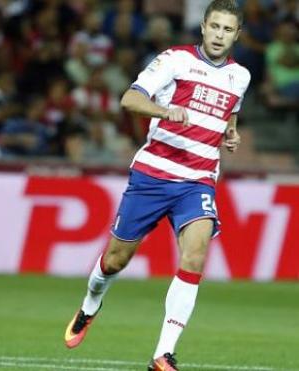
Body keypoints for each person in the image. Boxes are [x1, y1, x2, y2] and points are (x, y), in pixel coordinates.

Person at [63, 1, 250, 370]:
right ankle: (90, 304)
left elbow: (230, 112)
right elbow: (129, 98)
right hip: (152, 175)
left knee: (196, 253)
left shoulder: (240, 76)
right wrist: (165, 111)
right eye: (214, 27)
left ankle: (162, 354)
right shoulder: (175, 60)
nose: (219, 35)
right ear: (203, 28)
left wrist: (230, 133)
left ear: (237, 35)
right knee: (116, 260)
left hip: (197, 180)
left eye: (227, 30)